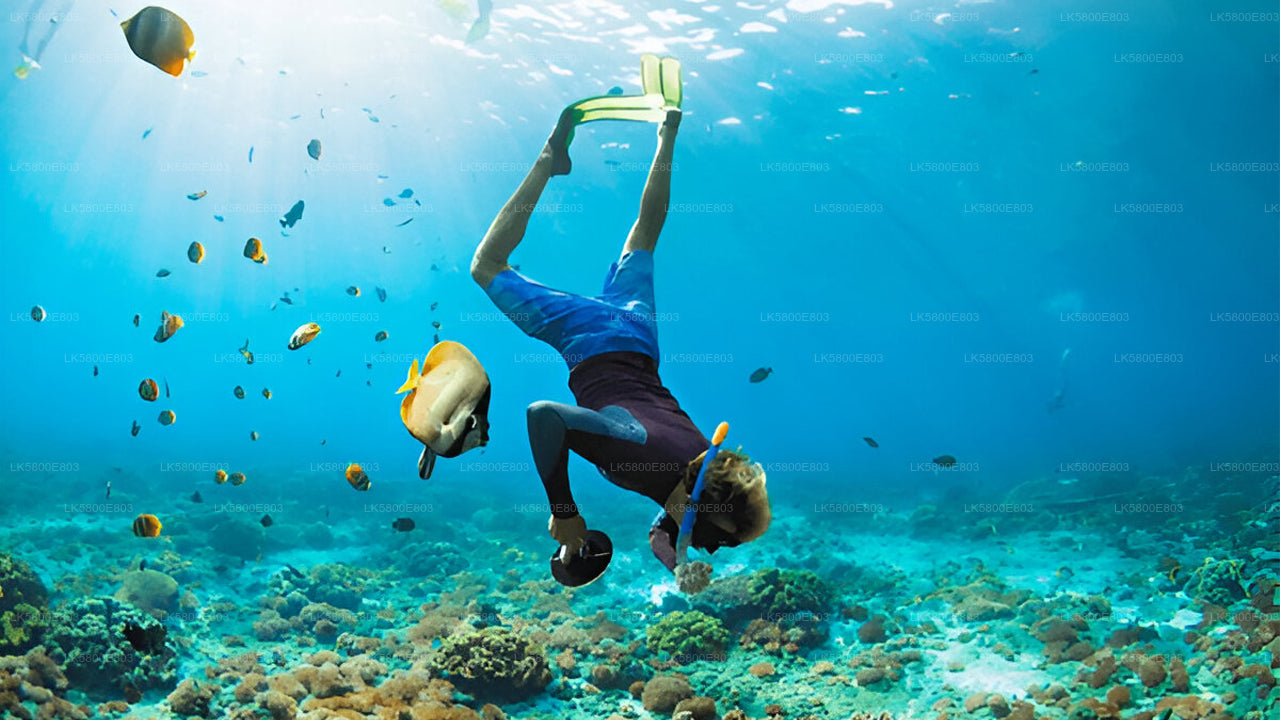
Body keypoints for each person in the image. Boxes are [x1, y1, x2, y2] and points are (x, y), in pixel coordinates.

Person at [469, 105, 771, 576]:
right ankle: (549, 159)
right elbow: (544, 417)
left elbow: (662, 531)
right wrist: (564, 513)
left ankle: (668, 132)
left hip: (639, 334)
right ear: (697, 507)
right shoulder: (641, 453)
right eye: (716, 540)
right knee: (486, 267)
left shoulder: (696, 472)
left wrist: (678, 565)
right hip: (588, 338)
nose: (710, 549)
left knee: (644, 237)